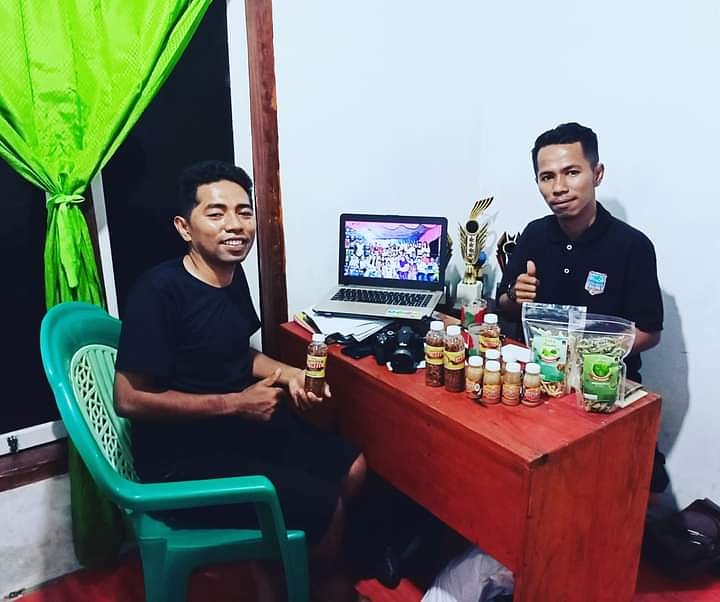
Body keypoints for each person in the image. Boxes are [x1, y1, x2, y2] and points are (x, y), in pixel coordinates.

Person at [113, 160, 368, 602]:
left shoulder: (231, 277)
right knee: (324, 503)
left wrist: (288, 374)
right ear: (184, 227)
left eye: (243, 211)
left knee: (353, 466)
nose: (235, 225)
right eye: (216, 213)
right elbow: (129, 398)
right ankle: (316, 586)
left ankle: (284, 566)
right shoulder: (159, 292)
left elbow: (237, 353)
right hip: (180, 460)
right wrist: (236, 403)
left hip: (235, 431)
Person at [496, 122, 670, 496]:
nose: (558, 187)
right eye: (547, 177)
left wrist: (585, 353)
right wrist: (515, 294)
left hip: (601, 388)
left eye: (571, 172)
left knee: (597, 490)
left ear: (597, 174)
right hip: (540, 381)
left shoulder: (632, 246)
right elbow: (504, 306)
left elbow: (649, 331)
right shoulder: (534, 234)